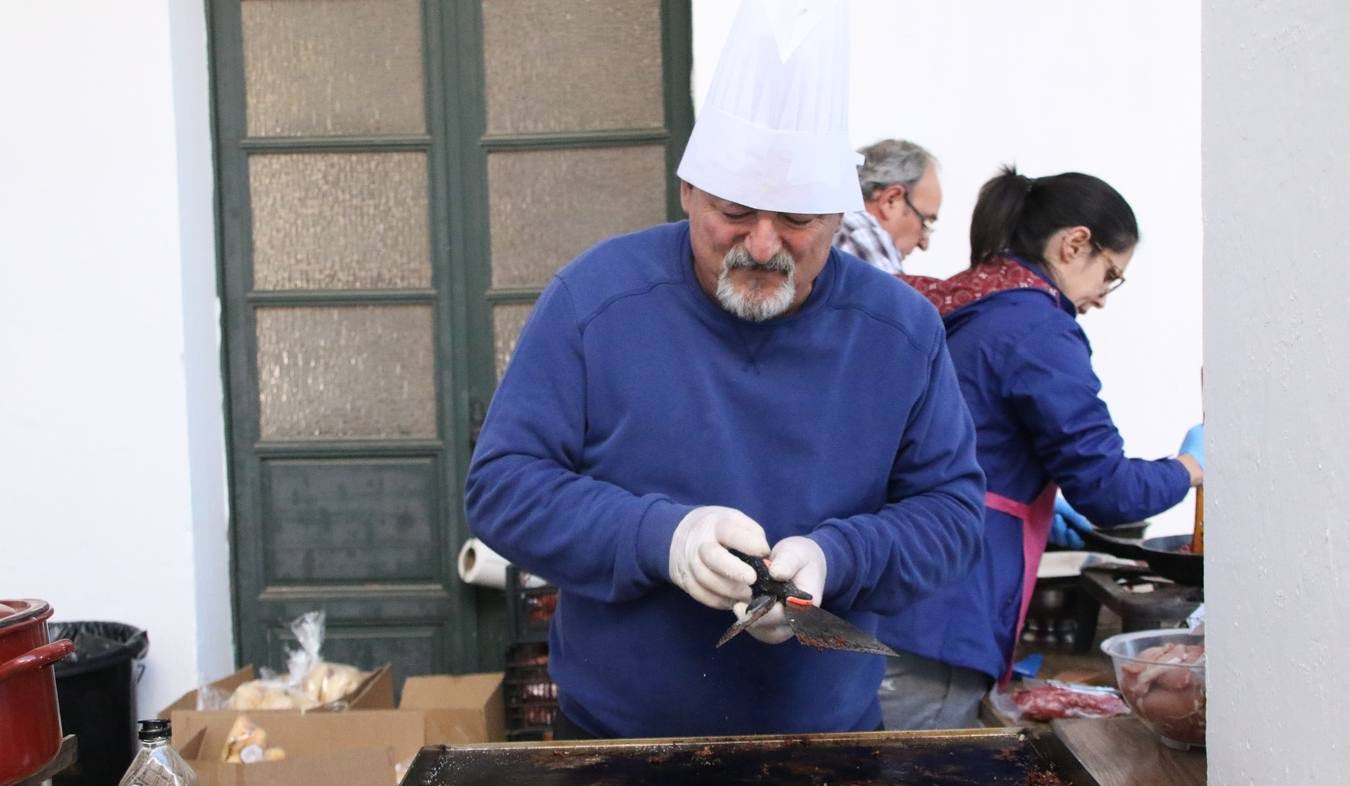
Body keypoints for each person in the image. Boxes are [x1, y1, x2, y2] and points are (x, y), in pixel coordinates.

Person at [464, 0, 985, 740]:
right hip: (616, 747)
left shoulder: (900, 332)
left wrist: (835, 556)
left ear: (844, 216)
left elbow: (952, 517)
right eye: (734, 212)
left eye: (798, 220)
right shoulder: (596, 301)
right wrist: (660, 538)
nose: (764, 245)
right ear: (688, 191)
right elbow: (503, 485)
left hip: (827, 746)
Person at [875, 165, 1204, 730]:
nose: (1102, 297)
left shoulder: (973, 303)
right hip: (948, 600)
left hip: (900, 573)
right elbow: (1108, 490)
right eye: (1110, 274)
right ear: (1075, 243)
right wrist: (1191, 466)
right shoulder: (1038, 328)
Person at [832, 139, 942, 274]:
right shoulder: (860, 232)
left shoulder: (831, 219)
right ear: (891, 200)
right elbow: (893, 295)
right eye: (925, 222)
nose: (924, 245)